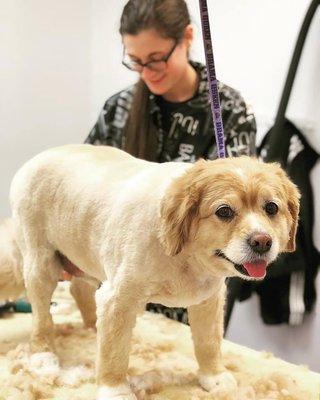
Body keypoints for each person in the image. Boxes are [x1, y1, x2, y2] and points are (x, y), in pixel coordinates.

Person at [85, 0, 257, 324]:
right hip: (123, 291)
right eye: (135, 62)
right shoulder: (118, 109)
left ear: (188, 37)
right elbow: (85, 184)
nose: (147, 72)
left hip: (192, 296)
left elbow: (239, 216)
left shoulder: (230, 111)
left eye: (157, 59)